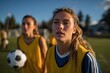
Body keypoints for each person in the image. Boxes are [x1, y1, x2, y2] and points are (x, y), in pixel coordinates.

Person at [45, 7, 101, 73]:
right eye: (56, 22)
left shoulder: (86, 58)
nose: (60, 26)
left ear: (74, 29)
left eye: (65, 23)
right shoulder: (49, 52)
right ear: (52, 26)